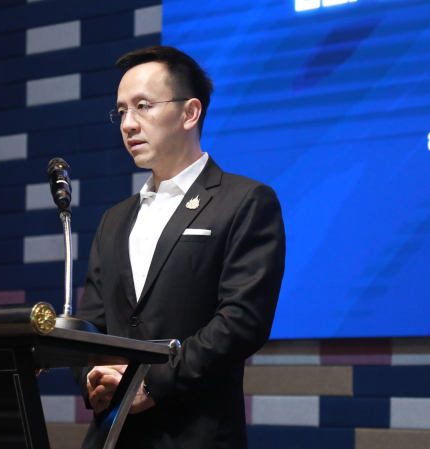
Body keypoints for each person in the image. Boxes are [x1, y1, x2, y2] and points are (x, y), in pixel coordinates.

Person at [72, 45, 285, 449]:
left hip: (196, 433)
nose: (128, 124)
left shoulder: (244, 201)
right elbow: (92, 322)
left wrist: (150, 384)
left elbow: (241, 322)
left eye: (142, 106)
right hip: (113, 434)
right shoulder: (114, 219)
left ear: (190, 112)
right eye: (121, 111)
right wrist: (93, 379)